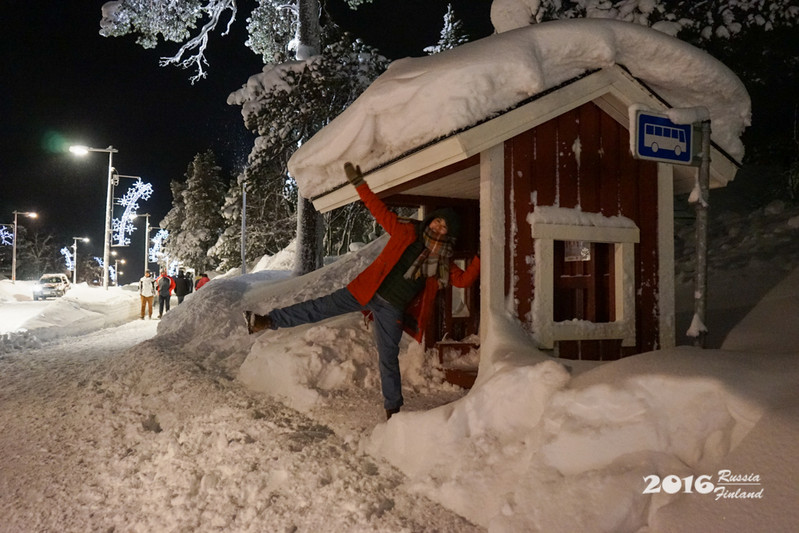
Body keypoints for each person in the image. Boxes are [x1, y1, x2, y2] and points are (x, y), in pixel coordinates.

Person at [245, 162, 480, 420]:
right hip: (364, 290)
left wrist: (481, 255)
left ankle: (393, 411)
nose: (437, 228)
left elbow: (463, 281)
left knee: (388, 359)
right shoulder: (407, 230)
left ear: (449, 235)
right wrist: (359, 184)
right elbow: (379, 211)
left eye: (443, 227)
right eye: (437, 222)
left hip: (392, 309)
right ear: (431, 221)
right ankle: (267, 320)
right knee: (318, 308)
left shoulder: (443, 261)